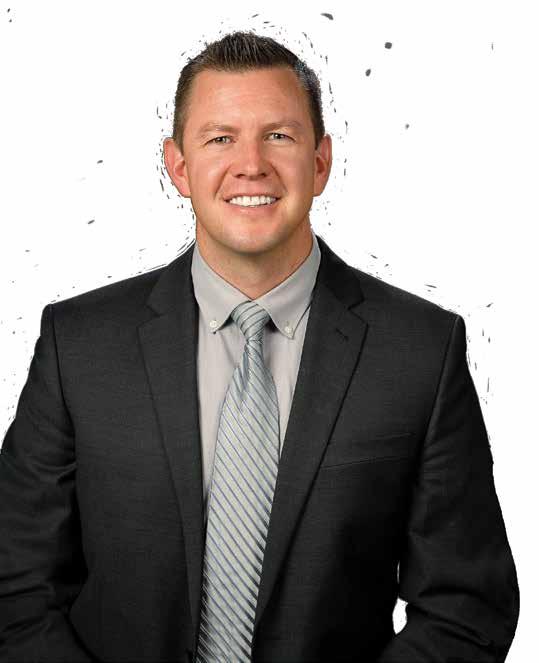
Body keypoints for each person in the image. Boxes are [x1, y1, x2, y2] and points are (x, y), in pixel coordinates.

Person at [0, 29, 518, 663]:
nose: (251, 164)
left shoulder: (420, 351)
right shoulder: (78, 345)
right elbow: (16, 586)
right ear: (178, 166)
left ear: (320, 162)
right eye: (220, 138)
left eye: (279, 136)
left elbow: (467, 605)